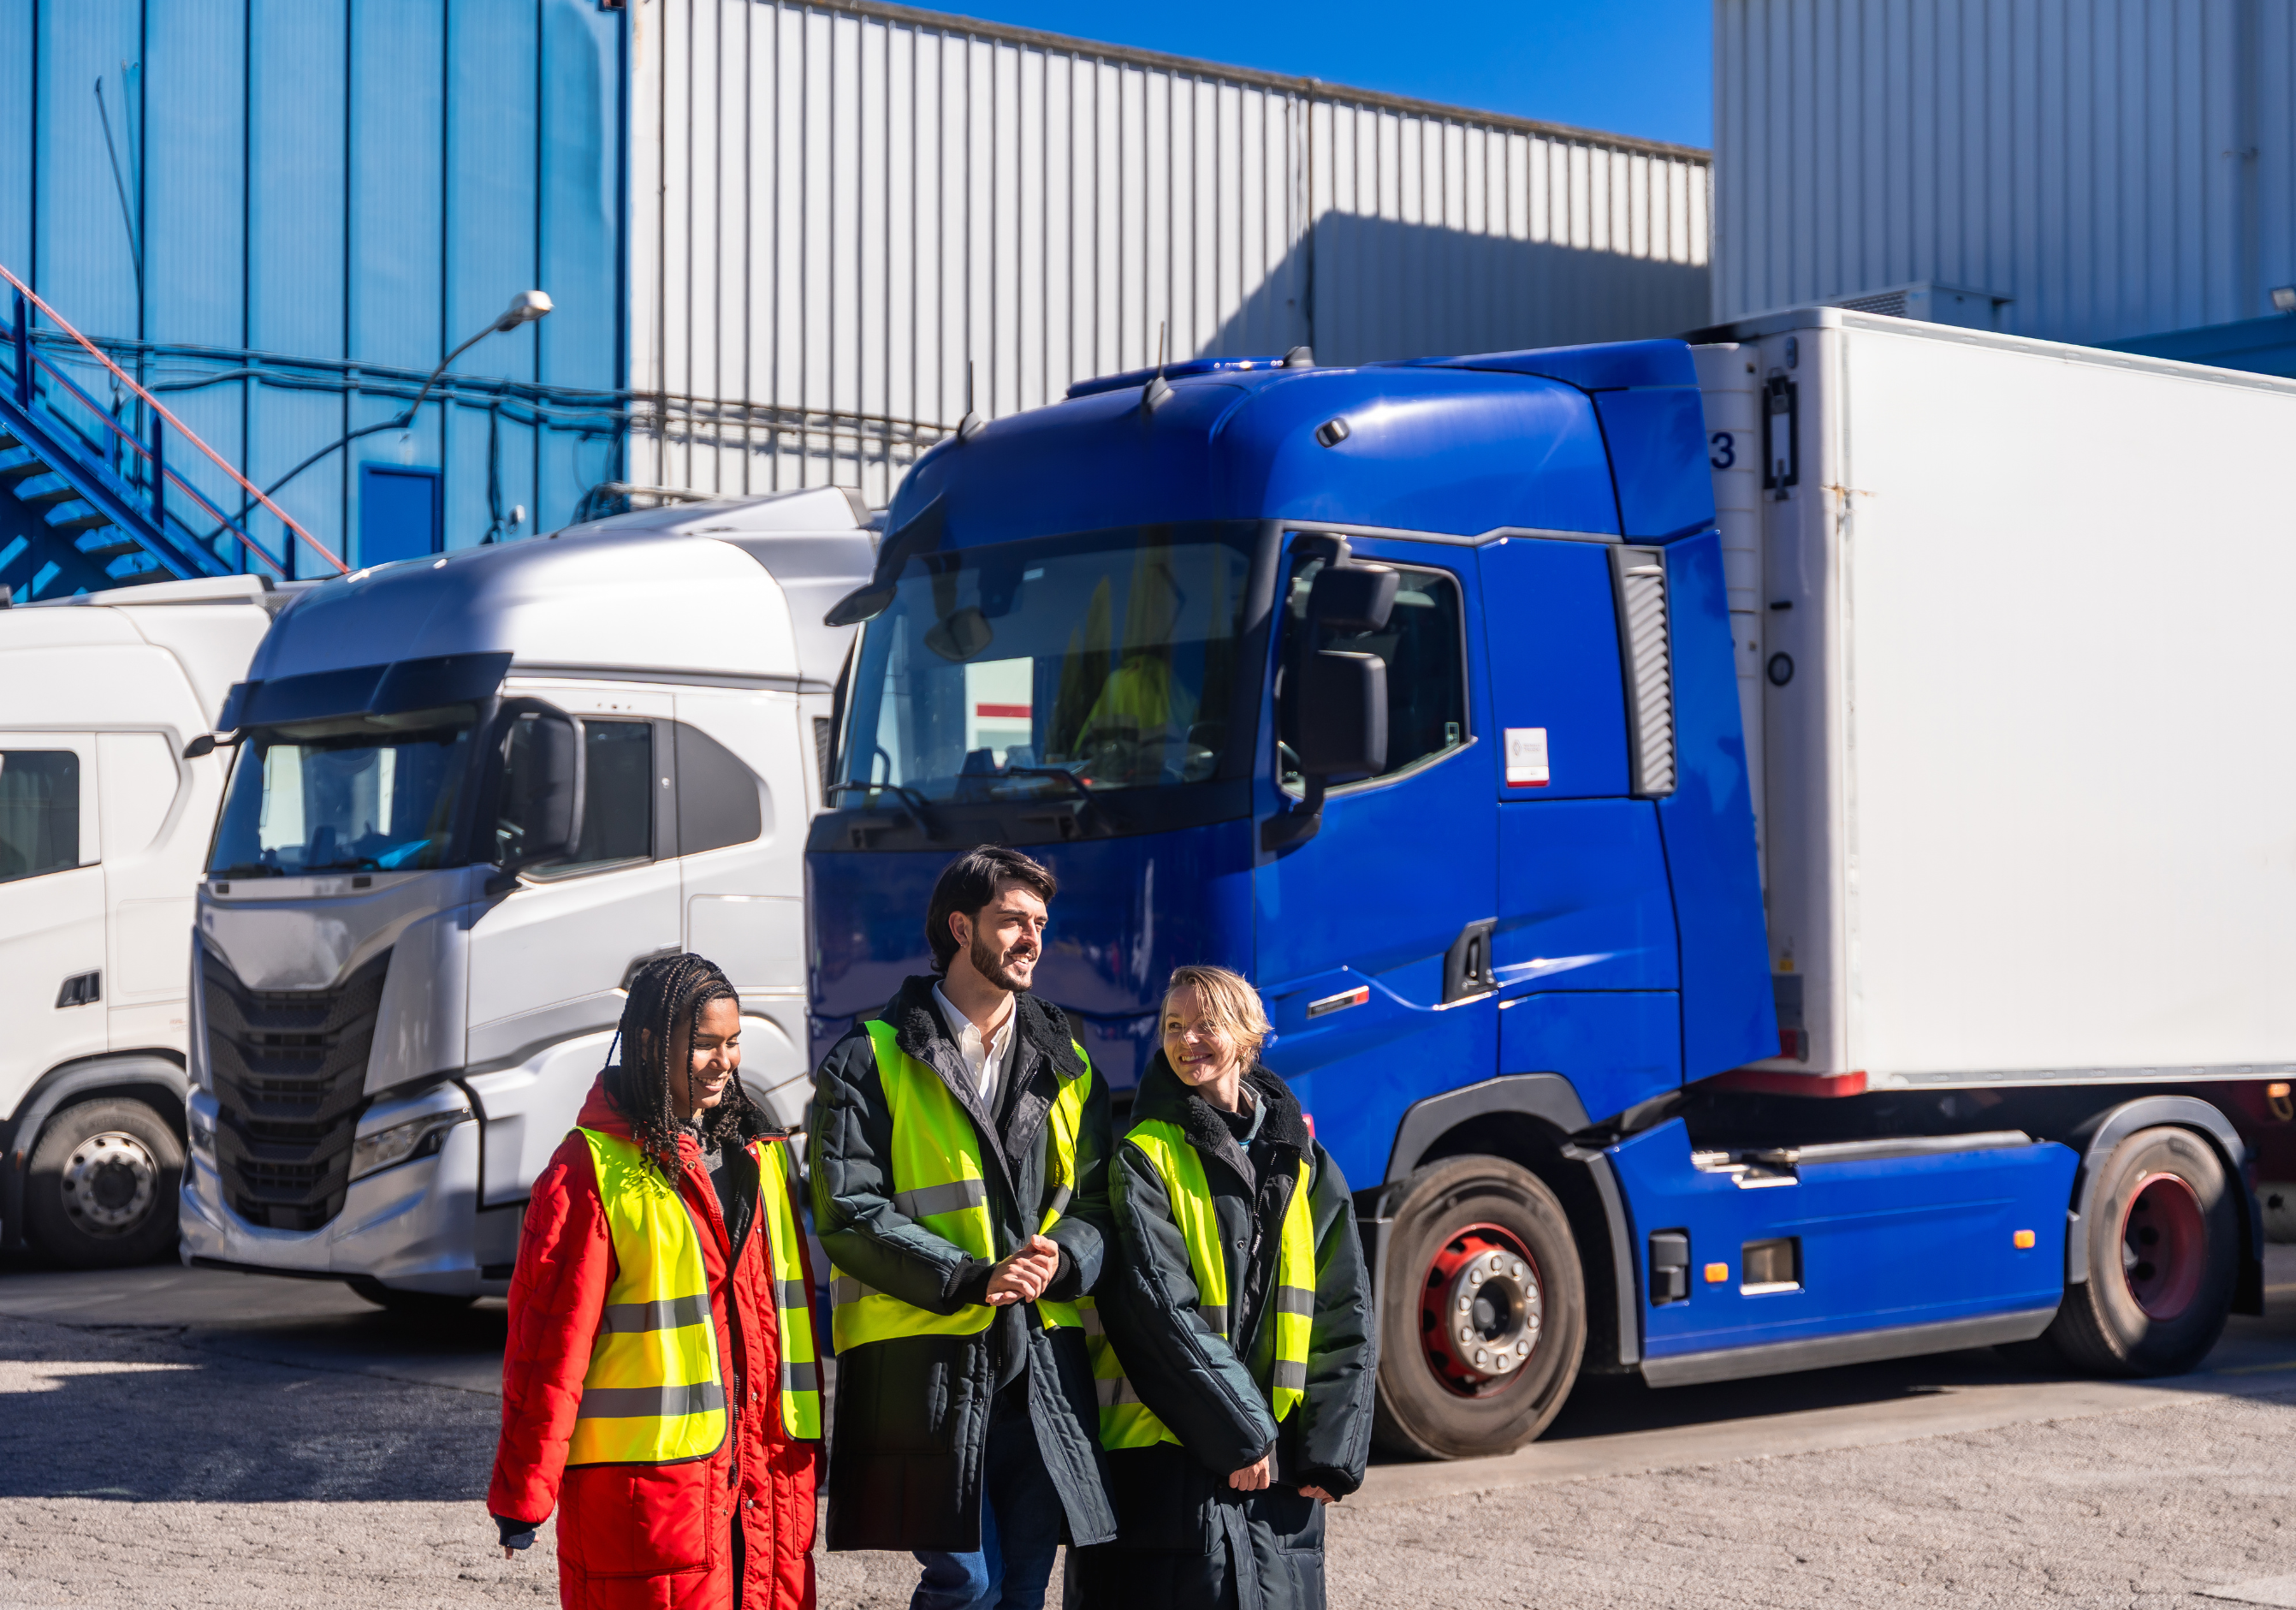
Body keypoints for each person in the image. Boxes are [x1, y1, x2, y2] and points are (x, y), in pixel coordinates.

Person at [810, 845, 1117, 1610]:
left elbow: (1102, 1204)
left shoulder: (1070, 1062)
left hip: (1041, 1362)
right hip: (926, 1362)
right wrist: (970, 1277)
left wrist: (1066, 1256)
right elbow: (848, 1211)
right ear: (959, 926)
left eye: (1039, 923)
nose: (1031, 939)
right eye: (1013, 919)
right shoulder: (866, 1058)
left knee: (1020, 1586)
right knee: (965, 1583)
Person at [488, 953, 822, 1610]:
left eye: (732, 1043)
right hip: (649, 1498)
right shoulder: (588, 1170)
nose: (723, 1062)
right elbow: (547, 1350)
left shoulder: (759, 1156)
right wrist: (524, 1494)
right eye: (702, 1044)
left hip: (763, 1480)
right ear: (649, 1042)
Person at [1071, 965, 1376, 1610]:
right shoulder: (1143, 1154)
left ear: (1247, 1034)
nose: (1187, 1040)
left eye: (1205, 1023)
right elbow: (1156, 1308)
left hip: (1277, 1457)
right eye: (1174, 1026)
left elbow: (1343, 1309)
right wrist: (1240, 1432)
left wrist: (1331, 1451)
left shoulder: (1304, 1159)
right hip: (1172, 1451)